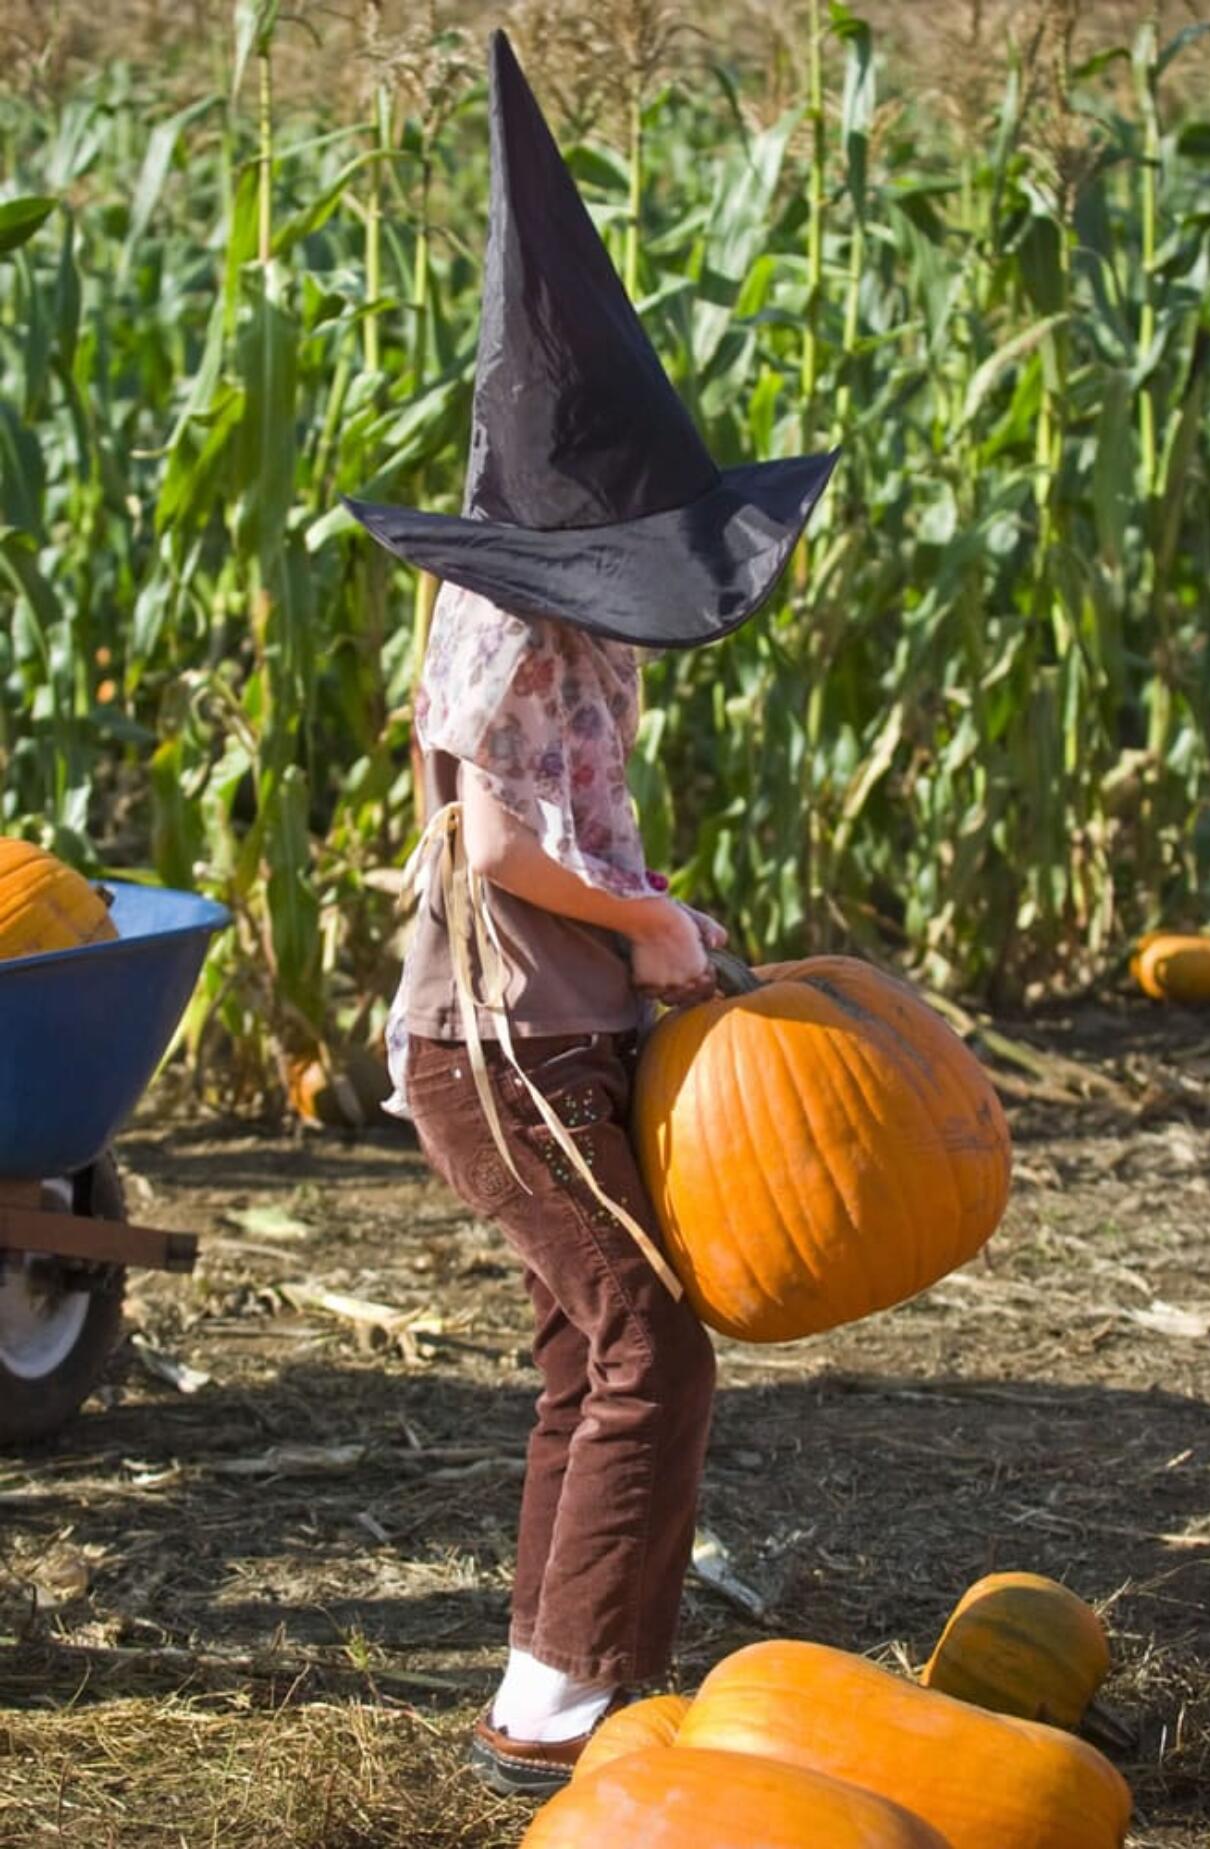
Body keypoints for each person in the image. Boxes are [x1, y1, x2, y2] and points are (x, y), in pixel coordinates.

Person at [344, 30, 838, 1797]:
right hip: (500, 1035)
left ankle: (565, 1670)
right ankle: (556, 1710)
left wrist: (651, 925)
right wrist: (640, 927)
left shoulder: (557, 612)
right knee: (649, 1348)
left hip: (553, 1028)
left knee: (593, 1341)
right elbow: (495, 849)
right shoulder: (502, 615)